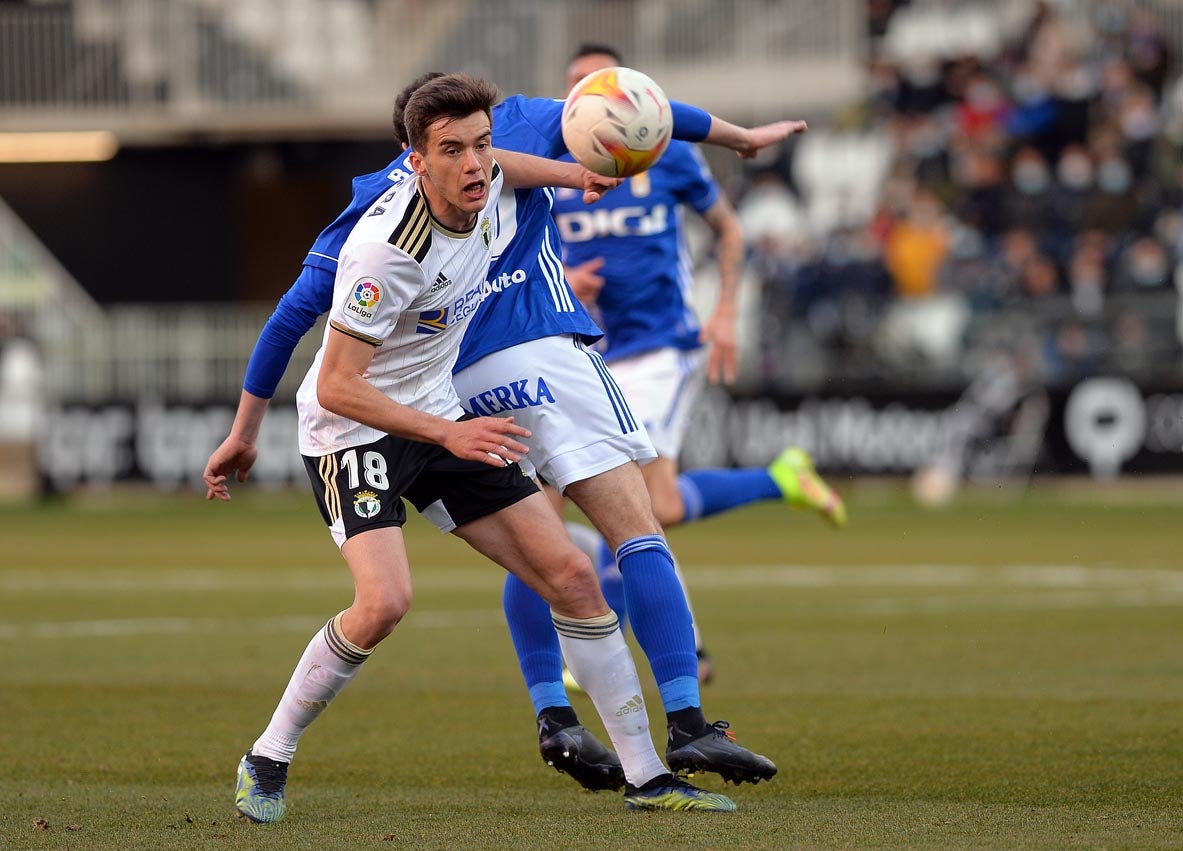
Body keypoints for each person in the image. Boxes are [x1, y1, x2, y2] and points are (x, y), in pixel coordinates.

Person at [207, 72, 805, 798]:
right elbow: (336, 384)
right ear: (413, 160)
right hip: (353, 432)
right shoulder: (383, 250)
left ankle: (649, 779)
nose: (474, 164)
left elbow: (507, 167)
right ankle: (268, 755)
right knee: (385, 603)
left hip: (438, 414)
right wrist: (249, 433)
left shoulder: (487, 179)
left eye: (481, 147)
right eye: (451, 150)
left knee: (574, 577)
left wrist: (573, 174)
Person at [549, 44, 847, 685]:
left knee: (615, 494)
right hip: (586, 354)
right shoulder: (550, 165)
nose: (586, 93)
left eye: (599, 81)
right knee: (660, 505)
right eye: (576, 83)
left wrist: (726, 313)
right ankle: (782, 480)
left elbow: (730, 230)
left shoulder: (669, 154)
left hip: (660, 348)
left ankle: (605, 642)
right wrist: (564, 279)